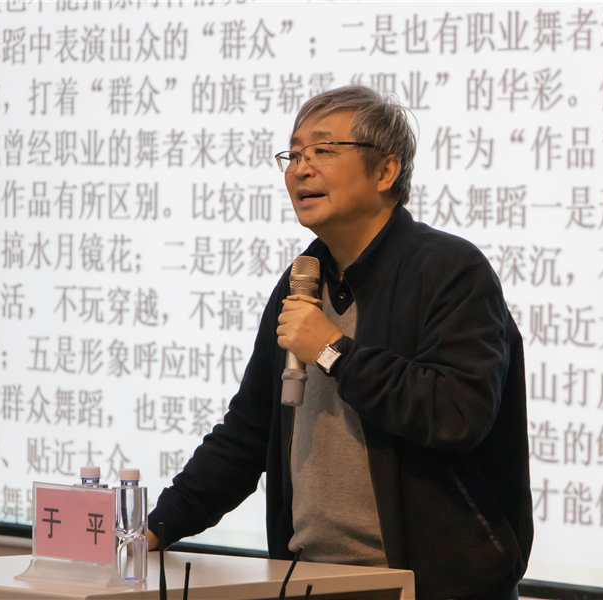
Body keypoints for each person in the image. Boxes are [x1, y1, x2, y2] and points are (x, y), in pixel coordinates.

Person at [146, 85, 533, 600]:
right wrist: (154, 530)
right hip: (310, 580)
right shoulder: (300, 282)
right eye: (294, 155)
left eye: (323, 150)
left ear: (385, 171)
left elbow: (456, 412)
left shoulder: (449, 271)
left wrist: (331, 350)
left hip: (428, 586)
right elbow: (247, 435)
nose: (301, 170)